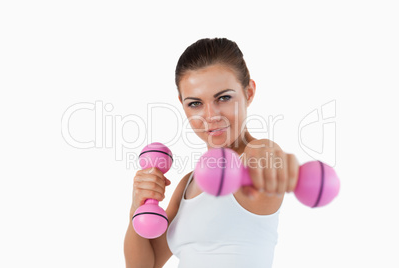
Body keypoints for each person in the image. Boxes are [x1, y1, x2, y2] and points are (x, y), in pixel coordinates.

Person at [124, 37, 300, 268]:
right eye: (195, 103)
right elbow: (147, 264)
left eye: (224, 98)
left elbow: (268, 160)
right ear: (182, 104)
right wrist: (138, 204)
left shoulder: (259, 152)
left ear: (248, 93)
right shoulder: (189, 182)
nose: (211, 116)